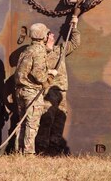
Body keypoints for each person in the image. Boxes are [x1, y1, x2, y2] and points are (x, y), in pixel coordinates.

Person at [36, 15, 80, 155]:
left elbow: (75, 43)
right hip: (47, 91)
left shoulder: (59, 50)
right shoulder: (39, 53)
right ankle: (41, 149)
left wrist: (74, 27)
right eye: (49, 34)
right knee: (46, 119)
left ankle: (54, 150)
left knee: (60, 119)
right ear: (44, 37)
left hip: (61, 91)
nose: (53, 35)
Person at [15, 23, 58, 155]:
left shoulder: (27, 50)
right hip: (31, 92)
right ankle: (28, 153)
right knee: (32, 124)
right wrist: (50, 75)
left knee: (22, 123)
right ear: (43, 36)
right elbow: (38, 74)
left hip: (21, 90)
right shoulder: (39, 51)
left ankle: (19, 151)